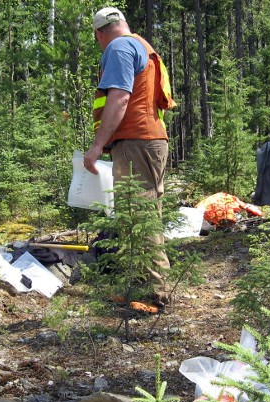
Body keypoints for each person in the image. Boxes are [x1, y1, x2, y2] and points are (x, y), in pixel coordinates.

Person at [83, 7, 176, 308]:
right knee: (140, 219)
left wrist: (97, 146)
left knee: (141, 217)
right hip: (146, 141)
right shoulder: (141, 46)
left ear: (100, 33)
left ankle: (154, 294)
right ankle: (140, 286)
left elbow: (120, 96)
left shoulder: (119, 47)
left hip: (137, 142)